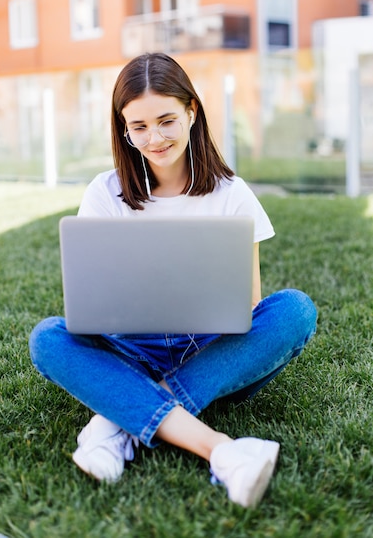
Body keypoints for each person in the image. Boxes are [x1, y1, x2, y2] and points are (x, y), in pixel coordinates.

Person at [29, 53, 317, 508]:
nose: (154, 138)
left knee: (295, 310)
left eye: (166, 120)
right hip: (129, 347)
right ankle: (220, 450)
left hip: (210, 349)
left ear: (191, 111)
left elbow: (252, 302)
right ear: (123, 128)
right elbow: (93, 298)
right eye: (138, 126)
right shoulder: (105, 193)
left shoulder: (232, 194)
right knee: (48, 338)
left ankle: (116, 422)